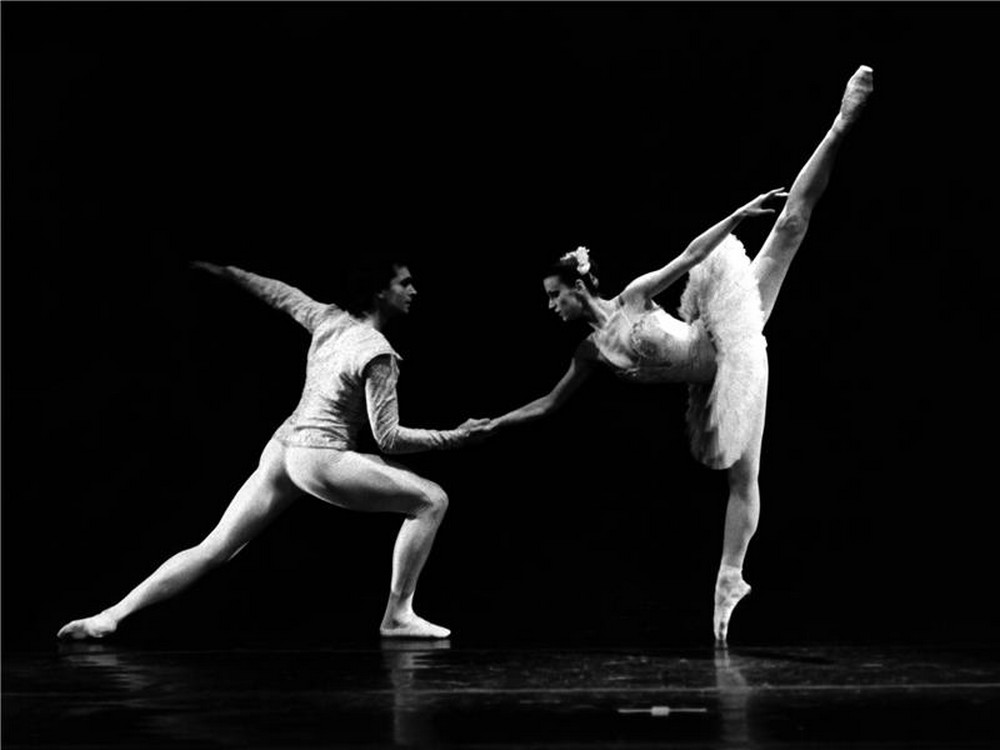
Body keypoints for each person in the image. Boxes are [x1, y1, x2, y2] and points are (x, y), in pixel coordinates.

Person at [482, 66, 874, 643]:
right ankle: (728, 581)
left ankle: (841, 122)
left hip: (722, 331)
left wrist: (736, 217)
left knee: (789, 224)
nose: (551, 307)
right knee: (744, 477)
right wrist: (490, 425)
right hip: (717, 381)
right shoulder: (589, 352)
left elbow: (689, 257)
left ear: (577, 286)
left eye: (553, 296)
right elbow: (548, 404)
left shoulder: (632, 298)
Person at [57, 258, 488, 641]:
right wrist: (456, 437)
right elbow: (389, 438)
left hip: (282, 450)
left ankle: (108, 617)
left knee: (215, 547)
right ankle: (397, 616)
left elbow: (279, 292)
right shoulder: (378, 353)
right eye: (405, 283)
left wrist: (226, 272)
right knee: (432, 500)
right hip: (321, 457)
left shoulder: (327, 319)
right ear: (380, 291)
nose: (413, 290)